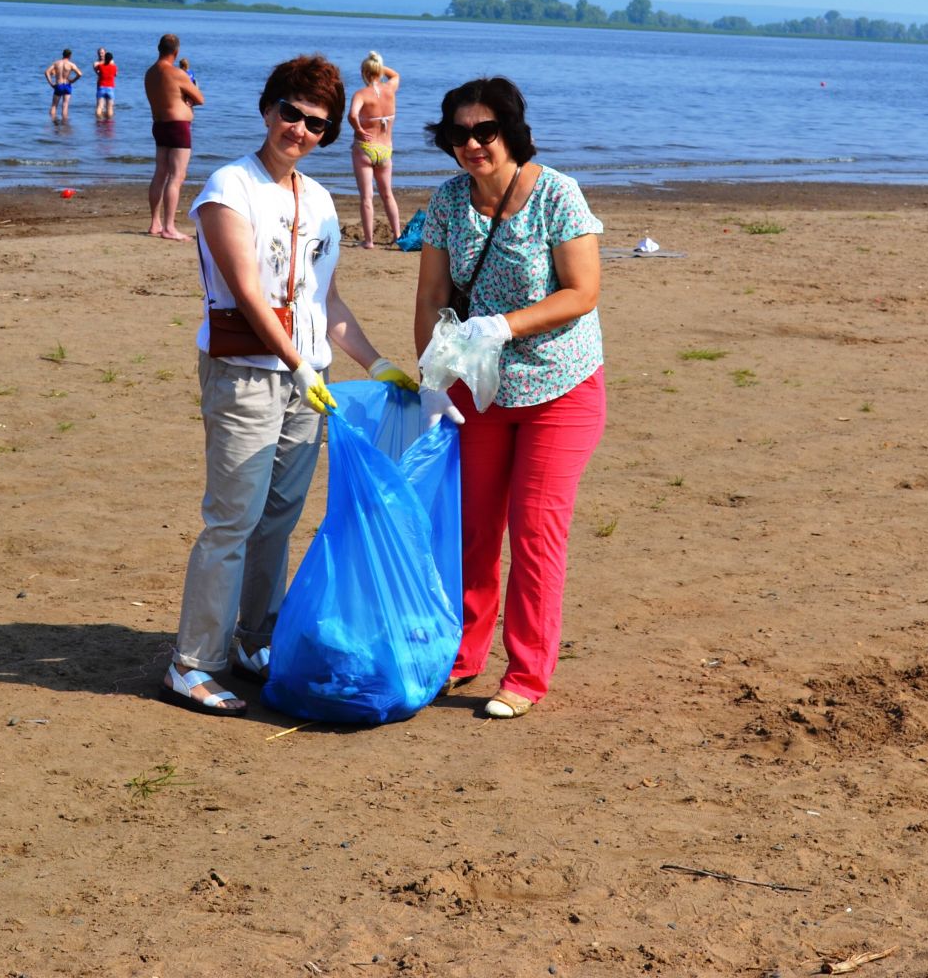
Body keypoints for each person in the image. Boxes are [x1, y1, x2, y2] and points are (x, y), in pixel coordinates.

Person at [163, 53, 422, 716]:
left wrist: (375, 361)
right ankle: (193, 663)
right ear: (267, 108)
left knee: (277, 520)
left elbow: (325, 301)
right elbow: (249, 295)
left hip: (309, 380)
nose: (300, 130)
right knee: (232, 520)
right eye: (291, 113)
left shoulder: (320, 201)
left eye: (316, 123)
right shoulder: (228, 188)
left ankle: (254, 641)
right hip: (248, 375)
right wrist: (296, 364)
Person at [414, 77, 605, 719]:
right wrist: (431, 379)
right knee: (472, 530)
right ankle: (462, 656)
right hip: (480, 394)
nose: (472, 144)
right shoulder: (445, 202)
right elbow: (432, 298)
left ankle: (525, 673)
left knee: (534, 531)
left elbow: (582, 291)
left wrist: (505, 324)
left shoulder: (557, 193)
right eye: (460, 133)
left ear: (512, 134)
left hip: (560, 385)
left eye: (485, 131)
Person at [144, 33, 204, 240]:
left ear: (158, 48)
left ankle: (155, 223)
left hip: (159, 124)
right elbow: (199, 98)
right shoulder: (176, 73)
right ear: (176, 52)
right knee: (177, 176)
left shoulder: (150, 73)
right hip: (178, 126)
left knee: (160, 172)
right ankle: (169, 227)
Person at [346, 51, 402, 249]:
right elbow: (395, 75)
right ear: (379, 71)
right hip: (386, 150)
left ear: (363, 72)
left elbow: (352, 115)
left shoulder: (361, 94)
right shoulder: (390, 89)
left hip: (365, 148)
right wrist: (378, 64)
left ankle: (369, 241)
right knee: (388, 194)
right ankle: (397, 235)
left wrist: (359, 130)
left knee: (367, 196)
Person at [45, 49, 82, 123]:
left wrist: (51, 83)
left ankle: (53, 123)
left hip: (59, 85)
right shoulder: (71, 64)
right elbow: (80, 74)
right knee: (65, 106)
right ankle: (64, 124)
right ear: (70, 56)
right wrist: (72, 81)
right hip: (67, 85)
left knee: (54, 106)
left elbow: (47, 72)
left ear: (63, 54)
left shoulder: (56, 63)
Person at [93, 50, 119, 123]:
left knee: (99, 106)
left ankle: (98, 121)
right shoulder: (114, 67)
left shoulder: (100, 66)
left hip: (101, 87)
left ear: (105, 58)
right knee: (110, 108)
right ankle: (109, 122)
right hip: (110, 88)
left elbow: (96, 70)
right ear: (111, 59)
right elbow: (116, 74)